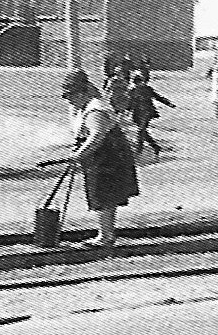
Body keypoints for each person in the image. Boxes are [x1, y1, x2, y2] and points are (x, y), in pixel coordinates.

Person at [38, 69, 138, 249]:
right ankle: (107, 233)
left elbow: (97, 135)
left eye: (70, 96)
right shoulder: (82, 106)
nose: (68, 100)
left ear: (82, 93)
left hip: (107, 154)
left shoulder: (95, 109)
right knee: (102, 194)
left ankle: (106, 236)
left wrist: (78, 154)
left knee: (102, 194)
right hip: (100, 153)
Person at [126, 72, 176, 157]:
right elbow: (130, 102)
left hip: (146, 112)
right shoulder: (133, 91)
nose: (140, 84)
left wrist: (168, 103)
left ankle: (139, 149)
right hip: (138, 113)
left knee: (141, 130)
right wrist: (127, 110)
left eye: (140, 82)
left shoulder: (146, 89)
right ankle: (155, 146)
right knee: (143, 131)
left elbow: (157, 97)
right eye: (138, 82)